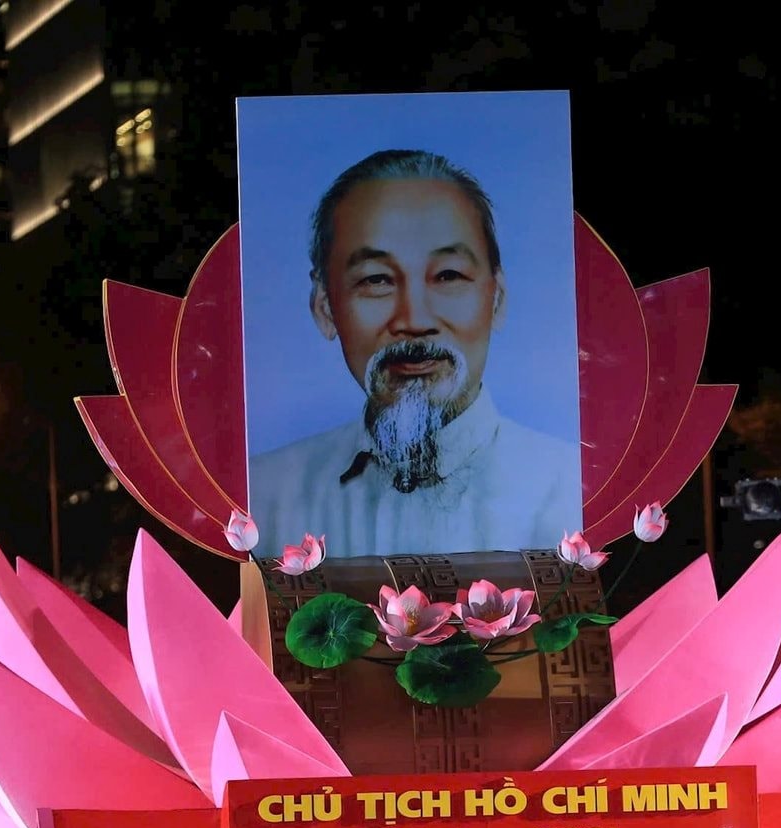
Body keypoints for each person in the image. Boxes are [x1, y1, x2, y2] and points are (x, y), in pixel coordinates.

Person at [247, 148, 581, 559]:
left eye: (448, 275)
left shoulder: (570, 494)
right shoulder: (262, 502)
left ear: (497, 298)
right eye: (376, 280)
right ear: (324, 307)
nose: (415, 319)